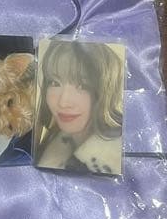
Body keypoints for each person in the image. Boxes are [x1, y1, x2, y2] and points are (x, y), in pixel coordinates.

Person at [34, 40, 124, 175]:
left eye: (82, 86)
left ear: (106, 91)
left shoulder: (122, 156)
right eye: (55, 83)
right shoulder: (50, 140)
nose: (63, 102)